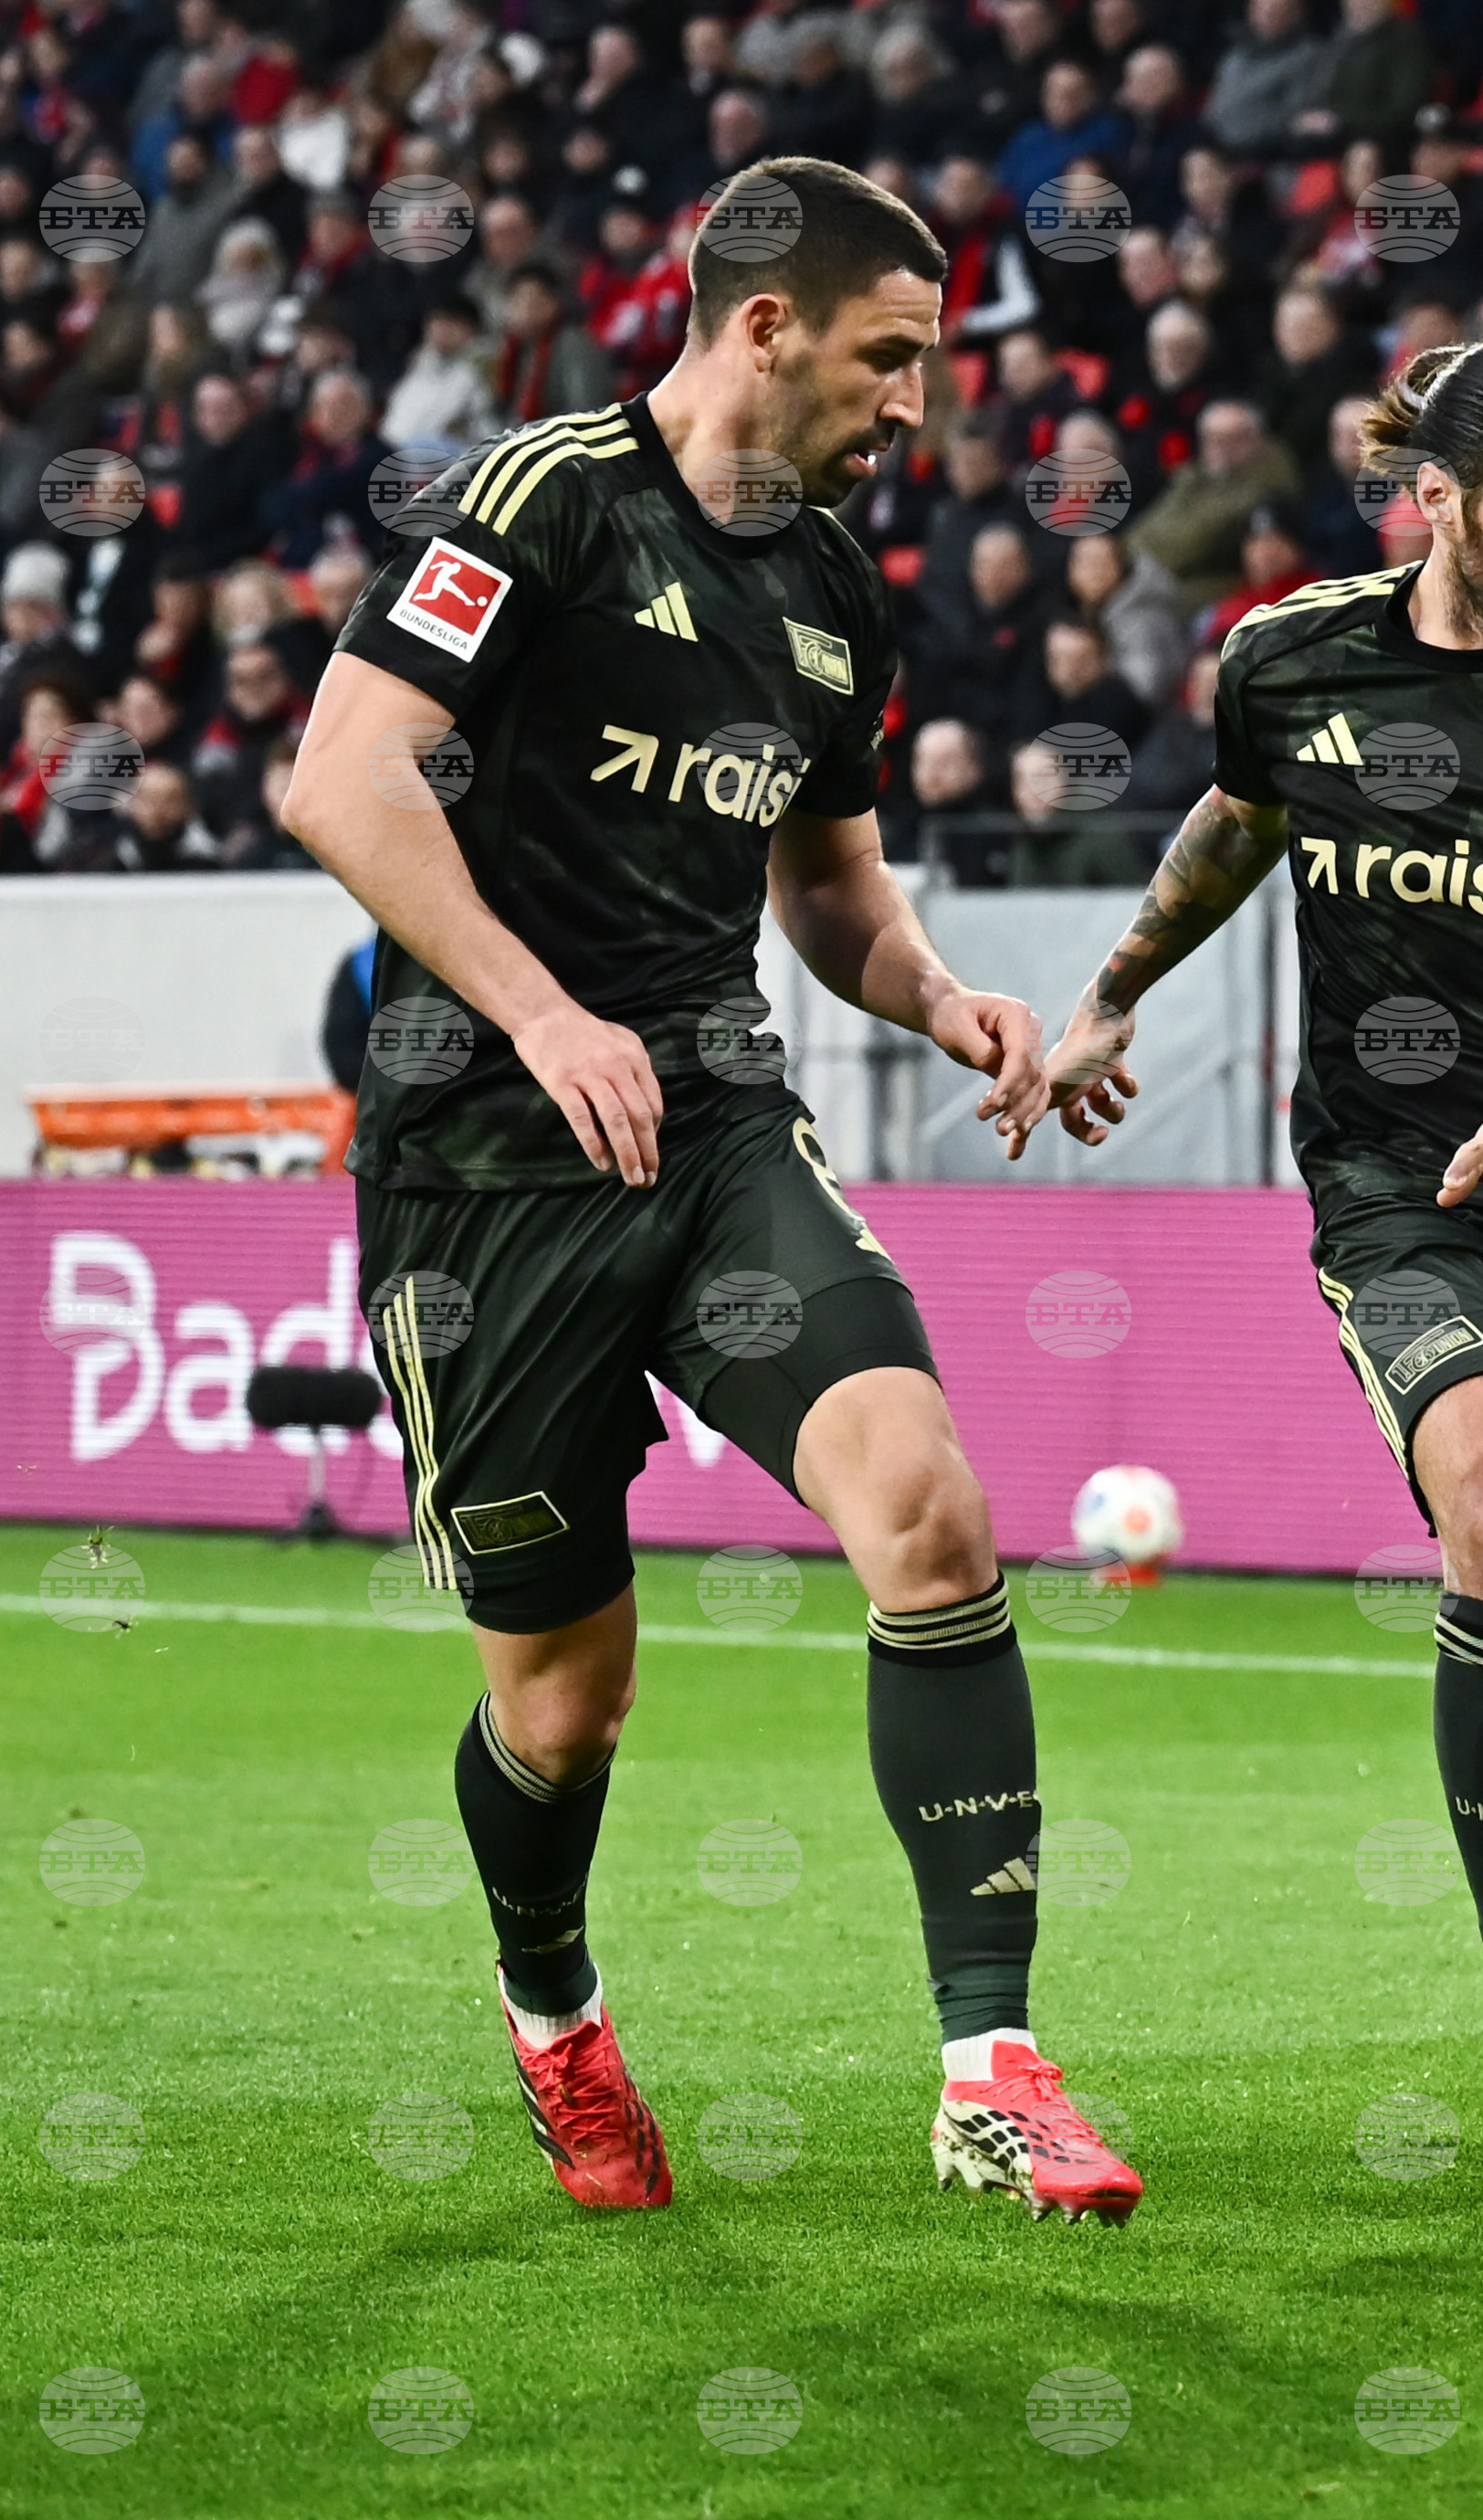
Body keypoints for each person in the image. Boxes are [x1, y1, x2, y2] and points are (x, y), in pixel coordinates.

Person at [280, 160, 1131, 2225]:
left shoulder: (834, 594)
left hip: (719, 1129)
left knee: (926, 1511)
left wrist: (942, 997)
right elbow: (343, 775)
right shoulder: (544, 503)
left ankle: (991, 2068)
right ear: (764, 326)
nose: (916, 401)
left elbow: (830, 893)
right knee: (563, 1707)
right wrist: (538, 1013)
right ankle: (554, 2011)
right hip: (487, 1176)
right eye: (890, 355)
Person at [1029, 335, 1483, 2198]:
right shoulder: (1290, 656)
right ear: (1435, 501)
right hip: (1404, 1195)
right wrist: (1114, 992)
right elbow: (1238, 819)